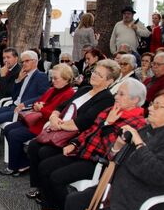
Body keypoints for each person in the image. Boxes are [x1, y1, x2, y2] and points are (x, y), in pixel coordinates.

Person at [29, 79, 147, 210]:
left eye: (121, 94)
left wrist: (108, 123)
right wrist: (74, 142)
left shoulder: (135, 122)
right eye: (117, 93)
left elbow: (110, 149)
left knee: (57, 177)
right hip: (84, 152)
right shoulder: (112, 109)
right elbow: (91, 130)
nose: (116, 97)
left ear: (135, 100)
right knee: (44, 166)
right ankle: (50, 207)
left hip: (98, 161)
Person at [26, 60, 119, 201]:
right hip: (59, 128)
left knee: (44, 152)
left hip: (75, 136)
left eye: (99, 75)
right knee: (33, 146)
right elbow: (61, 107)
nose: (94, 75)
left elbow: (85, 121)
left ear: (109, 81)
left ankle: (49, 195)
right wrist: (54, 117)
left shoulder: (106, 99)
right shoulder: (85, 89)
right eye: (94, 72)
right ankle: (40, 187)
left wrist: (60, 125)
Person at [2, 64, 76, 177]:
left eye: (56, 78)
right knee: (8, 129)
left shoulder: (69, 94)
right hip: (35, 120)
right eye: (52, 78)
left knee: (14, 135)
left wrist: (42, 108)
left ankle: (14, 166)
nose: (53, 81)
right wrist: (37, 105)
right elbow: (40, 101)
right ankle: (23, 162)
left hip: (45, 125)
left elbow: (59, 115)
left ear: (66, 79)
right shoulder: (52, 89)